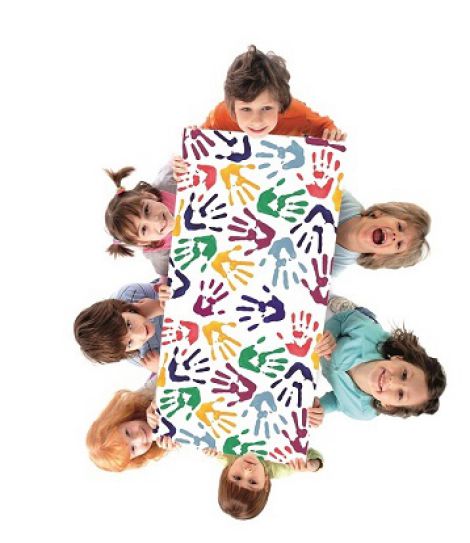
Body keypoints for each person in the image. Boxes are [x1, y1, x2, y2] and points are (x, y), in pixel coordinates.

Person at [309, 297, 446, 423]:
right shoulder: (365, 332)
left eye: (400, 394)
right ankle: (352, 308)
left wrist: (323, 407)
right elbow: (342, 320)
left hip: (330, 361)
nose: (392, 381)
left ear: (389, 405)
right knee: (355, 316)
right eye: (404, 375)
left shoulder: (363, 411)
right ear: (399, 358)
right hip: (354, 323)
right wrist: (330, 334)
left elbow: (339, 402)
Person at [202, 45, 346, 140]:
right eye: (246, 109)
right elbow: (200, 140)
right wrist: (194, 140)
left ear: (280, 104)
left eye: (266, 108)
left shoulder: (297, 112)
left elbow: (325, 127)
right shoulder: (220, 116)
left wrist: (332, 134)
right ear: (232, 108)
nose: (257, 121)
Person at [74, 282, 171, 372]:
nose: (141, 333)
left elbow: (171, 285)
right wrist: (162, 368)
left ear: (123, 310)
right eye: (130, 343)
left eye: (129, 325)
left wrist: (157, 306)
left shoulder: (132, 294)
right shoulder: (145, 357)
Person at [104, 162, 176, 281]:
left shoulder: (168, 183)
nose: (155, 220)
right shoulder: (159, 255)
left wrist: (178, 163)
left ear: (149, 196)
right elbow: (166, 279)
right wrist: (163, 286)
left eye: (146, 210)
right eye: (144, 229)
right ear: (143, 242)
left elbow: (179, 157)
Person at [86, 386, 178, 472]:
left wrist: (158, 400)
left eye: (128, 433)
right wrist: (178, 438)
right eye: (133, 449)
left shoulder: (144, 395)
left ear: (121, 420)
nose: (139, 438)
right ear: (136, 458)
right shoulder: (163, 442)